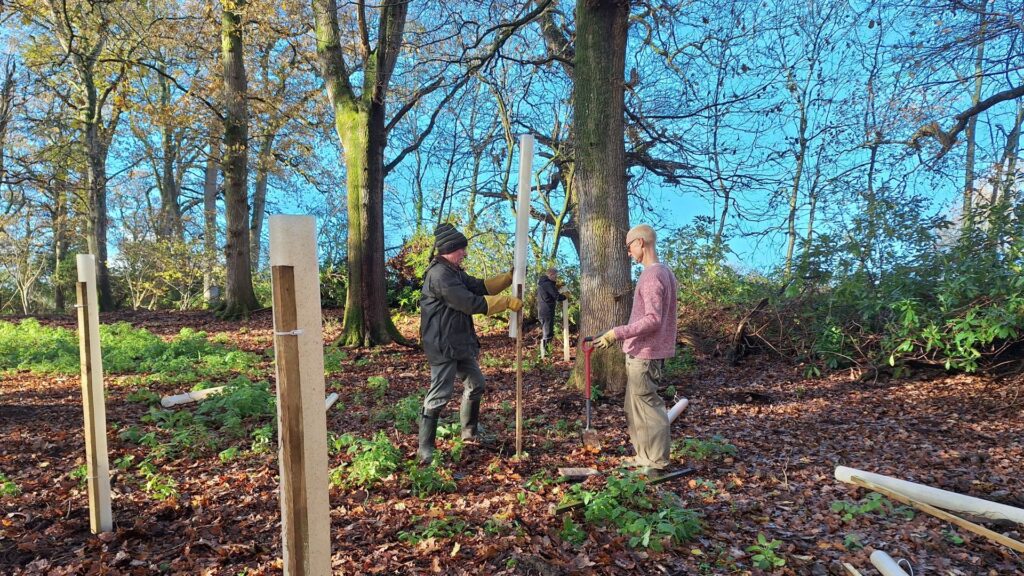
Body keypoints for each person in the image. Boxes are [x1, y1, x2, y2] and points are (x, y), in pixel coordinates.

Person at [417, 223, 522, 465]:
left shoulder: (453, 271)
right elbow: (468, 302)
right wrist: (504, 302)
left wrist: (507, 279)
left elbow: (477, 286)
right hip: (442, 345)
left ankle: (469, 432)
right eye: (461, 249)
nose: (465, 253)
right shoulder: (439, 275)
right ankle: (425, 449)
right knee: (439, 395)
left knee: (476, 384)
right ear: (449, 250)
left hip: (459, 342)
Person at [593, 224, 678, 476]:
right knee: (634, 409)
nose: (629, 252)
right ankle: (643, 457)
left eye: (629, 246)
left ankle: (657, 463)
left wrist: (615, 333)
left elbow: (653, 319)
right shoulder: (665, 273)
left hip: (645, 354)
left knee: (649, 409)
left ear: (641, 242)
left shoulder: (652, 275)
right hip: (643, 353)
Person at [536, 267, 568, 350]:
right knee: (548, 334)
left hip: (543, 312)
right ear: (550, 274)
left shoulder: (543, 283)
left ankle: (544, 355)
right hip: (547, 312)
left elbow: (550, 293)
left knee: (546, 333)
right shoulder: (548, 284)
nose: (556, 278)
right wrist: (565, 296)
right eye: (555, 276)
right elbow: (556, 296)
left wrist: (555, 286)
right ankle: (545, 355)